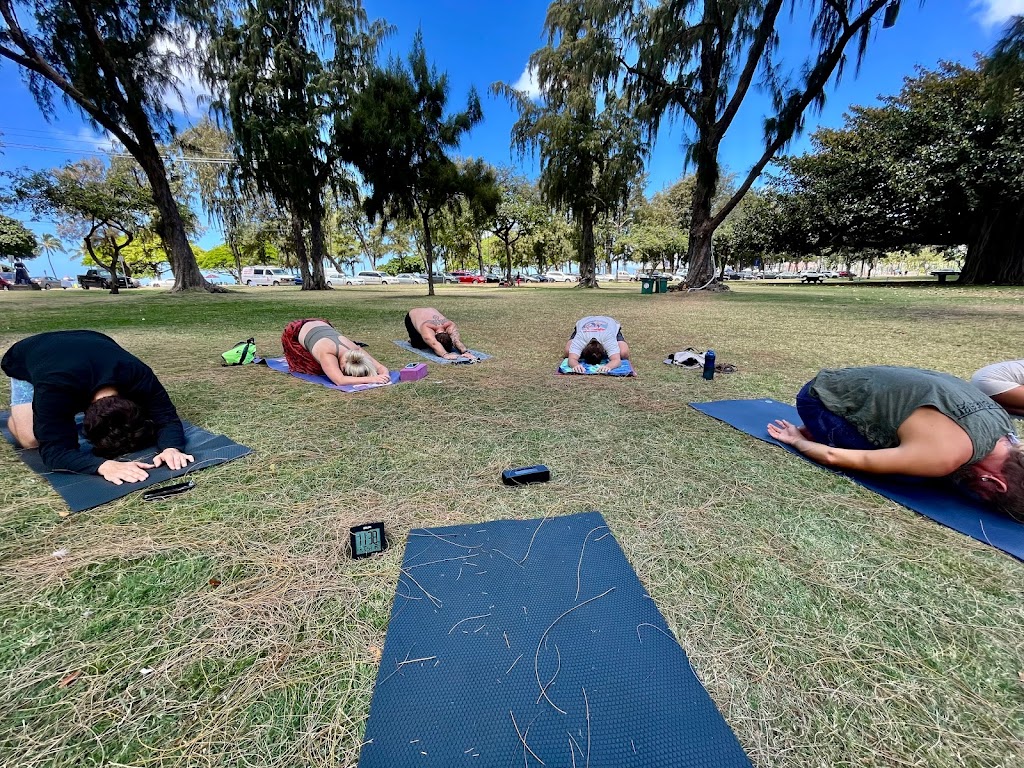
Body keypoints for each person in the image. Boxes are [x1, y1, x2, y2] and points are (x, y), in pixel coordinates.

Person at [767, 366, 1024, 521]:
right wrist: (797, 440)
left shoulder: (1004, 431)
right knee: (913, 479)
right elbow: (834, 457)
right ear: (994, 481)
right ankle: (825, 424)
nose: (978, 495)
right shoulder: (943, 457)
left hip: (854, 381)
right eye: (985, 495)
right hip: (819, 396)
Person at [1, 330, 194, 484]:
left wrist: (171, 447)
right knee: (31, 440)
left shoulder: (138, 375)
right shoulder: (55, 389)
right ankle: (15, 419)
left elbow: (166, 417)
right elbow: (54, 452)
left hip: (91, 340)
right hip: (28, 354)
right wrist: (102, 466)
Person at [282, 319, 390, 386]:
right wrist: (372, 379)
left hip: (321, 324)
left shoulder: (355, 350)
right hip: (295, 329)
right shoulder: (328, 353)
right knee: (316, 369)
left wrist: (384, 376)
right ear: (342, 367)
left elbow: (381, 367)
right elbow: (340, 380)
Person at [404, 307, 477, 361]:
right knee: (419, 345)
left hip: (430, 310)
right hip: (412, 314)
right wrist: (445, 354)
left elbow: (456, 341)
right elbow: (434, 343)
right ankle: (412, 340)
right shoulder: (427, 326)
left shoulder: (449, 325)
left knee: (426, 340)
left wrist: (465, 352)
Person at [565, 315, 630, 374]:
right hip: (584, 322)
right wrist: (575, 365)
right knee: (568, 351)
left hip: (609, 323)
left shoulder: (607, 336)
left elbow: (617, 360)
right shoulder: (581, 336)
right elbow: (572, 359)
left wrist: (608, 366)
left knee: (623, 353)